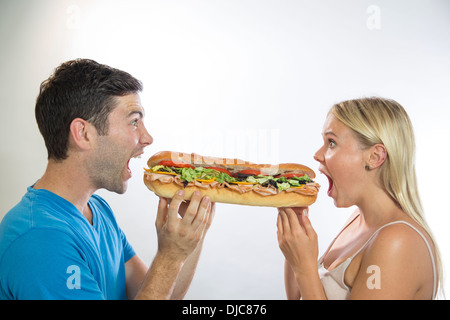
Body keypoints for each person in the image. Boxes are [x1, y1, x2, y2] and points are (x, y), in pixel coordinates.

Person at [0, 59, 215, 300]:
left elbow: (163, 293)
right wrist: (170, 256)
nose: (147, 138)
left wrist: (194, 232)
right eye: (134, 122)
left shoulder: (97, 210)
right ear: (83, 134)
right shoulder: (40, 239)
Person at [277, 97, 442, 299]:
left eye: (331, 143)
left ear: (374, 157)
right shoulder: (358, 219)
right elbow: (297, 297)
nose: (317, 155)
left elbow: (306, 277)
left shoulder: (397, 242)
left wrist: (304, 269)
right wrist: (294, 241)